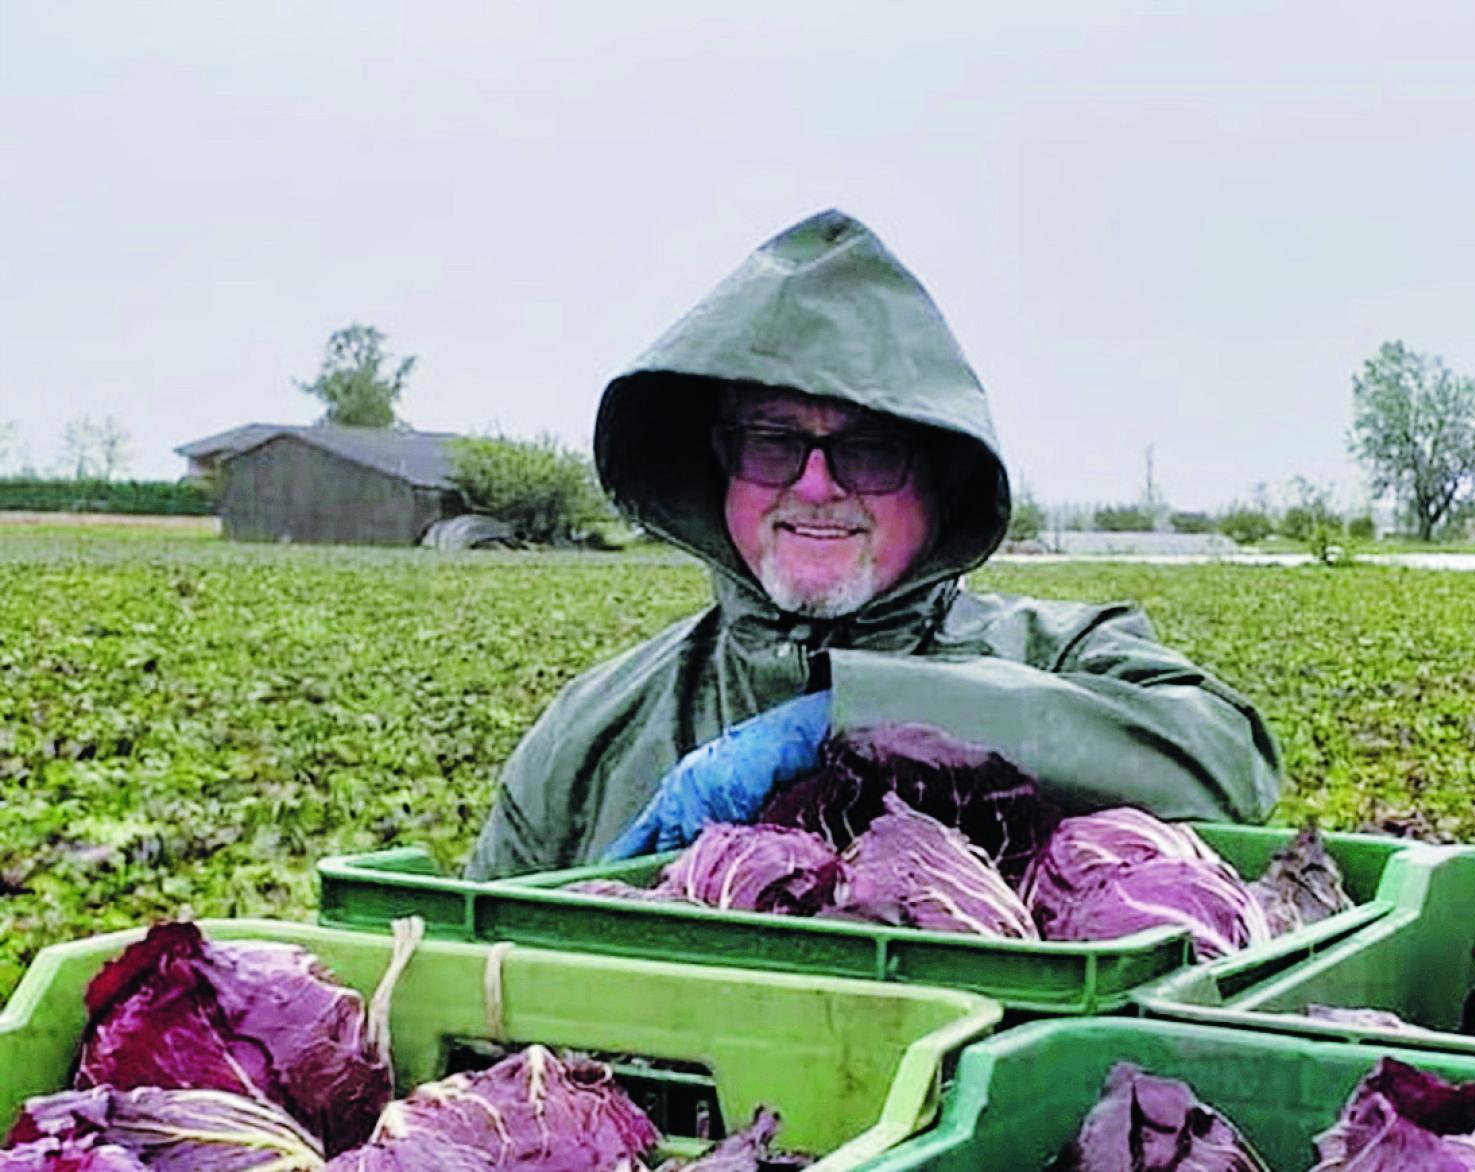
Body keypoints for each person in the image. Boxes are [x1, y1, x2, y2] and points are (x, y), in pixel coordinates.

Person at [465, 210, 1280, 880]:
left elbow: (1225, 762)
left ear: (942, 478)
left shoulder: (1060, 656)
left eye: (870, 451)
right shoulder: (592, 736)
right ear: (718, 466)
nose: (816, 487)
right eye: (773, 442)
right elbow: (470, 986)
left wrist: (851, 719)